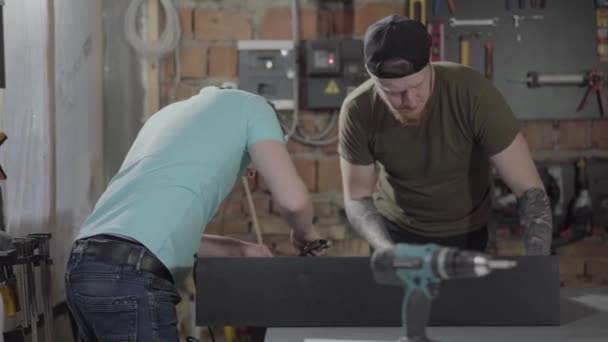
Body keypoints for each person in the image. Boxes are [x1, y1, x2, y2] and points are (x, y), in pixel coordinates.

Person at [64, 86, 323, 341]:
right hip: (129, 278)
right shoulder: (256, 108)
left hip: (84, 266)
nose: (250, 172)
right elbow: (294, 203)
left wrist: (240, 250)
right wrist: (306, 233)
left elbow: (153, 234)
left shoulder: (166, 117)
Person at [339, 15, 553, 255]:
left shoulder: (473, 94)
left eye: (417, 86)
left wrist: (538, 265)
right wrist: (384, 247)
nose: (409, 101)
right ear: (373, 80)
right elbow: (357, 197)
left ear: (431, 63)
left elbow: (529, 190)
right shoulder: (358, 109)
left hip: (469, 233)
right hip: (394, 233)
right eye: (393, 93)